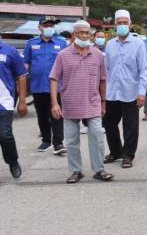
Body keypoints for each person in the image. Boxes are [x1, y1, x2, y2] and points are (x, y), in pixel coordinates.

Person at [49, 20, 114, 184]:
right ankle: (75, 171)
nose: (85, 35)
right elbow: (54, 79)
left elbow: (103, 80)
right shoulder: (63, 55)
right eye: (81, 32)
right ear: (74, 35)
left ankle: (99, 170)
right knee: (71, 140)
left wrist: (103, 102)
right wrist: (55, 103)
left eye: (87, 33)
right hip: (70, 103)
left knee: (97, 136)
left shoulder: (98, 54)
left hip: (93, 102)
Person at [103, 10, 147, 169]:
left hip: (131, 92)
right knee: (108, 123)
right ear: (115, 24)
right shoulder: (109, 45)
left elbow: (143, 70)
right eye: (119, 23)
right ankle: (115, 151)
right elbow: (105, 69)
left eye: (124, 22)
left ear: (130, 24)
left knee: (130, 126)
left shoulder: (138, 44)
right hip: (112, 92)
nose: (122, 25)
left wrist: (141, 92)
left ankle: (128, 155)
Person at [23, 16, 67, 154]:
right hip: (37, 86)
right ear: (40, 27)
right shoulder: (31, 44)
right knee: (42, 115)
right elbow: (26, 63)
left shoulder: (61, 43)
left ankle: (58, 143)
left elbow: (66, 64)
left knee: (57, 114)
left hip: (57, 87)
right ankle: (46, 140)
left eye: (51, 25)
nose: (49, 28)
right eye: (46, 25)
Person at [0, 39, 28, 179]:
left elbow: (22, 76)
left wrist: (22, 101)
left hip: (4, 102)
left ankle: (13, 161)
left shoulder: (9, 51)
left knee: (5, 135)